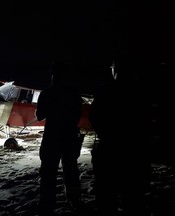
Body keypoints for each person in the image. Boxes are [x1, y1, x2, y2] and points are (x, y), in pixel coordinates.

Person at [89, 63, 152, 216]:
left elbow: (94, 117)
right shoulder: (140, 92)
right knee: (134, 200)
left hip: (109, 151)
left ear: (115, 71)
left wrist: (106, 134)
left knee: (107, 200)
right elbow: (146, 122)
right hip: (134, 152)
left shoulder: (106, 90)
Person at [35, 61, 84, 215]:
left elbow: (39, 116)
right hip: (69, 137)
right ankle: (74, 200)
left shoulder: (46, 93)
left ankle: (47, 203)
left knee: (48, 172)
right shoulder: (74, 93)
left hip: (52, 137)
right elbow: (78, 115)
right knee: (71, 169)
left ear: (53, 76)